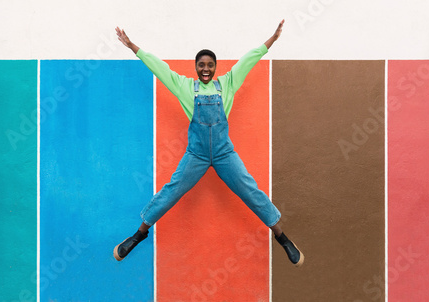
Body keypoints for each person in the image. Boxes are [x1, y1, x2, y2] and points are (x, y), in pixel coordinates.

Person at [113, 20, 304, 267]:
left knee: (250, 191)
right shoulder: (183, 86)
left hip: (225, 154)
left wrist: (272, 40)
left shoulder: (227, 84)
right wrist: (132, 46)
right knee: (171, 191)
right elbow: (158, 67)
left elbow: (249, 60)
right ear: (196, 67)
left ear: (215, 68)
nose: (206, 69)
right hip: (197, 155)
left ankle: (282, 237)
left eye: (210, 65)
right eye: (201, 65)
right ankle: (139, 234)